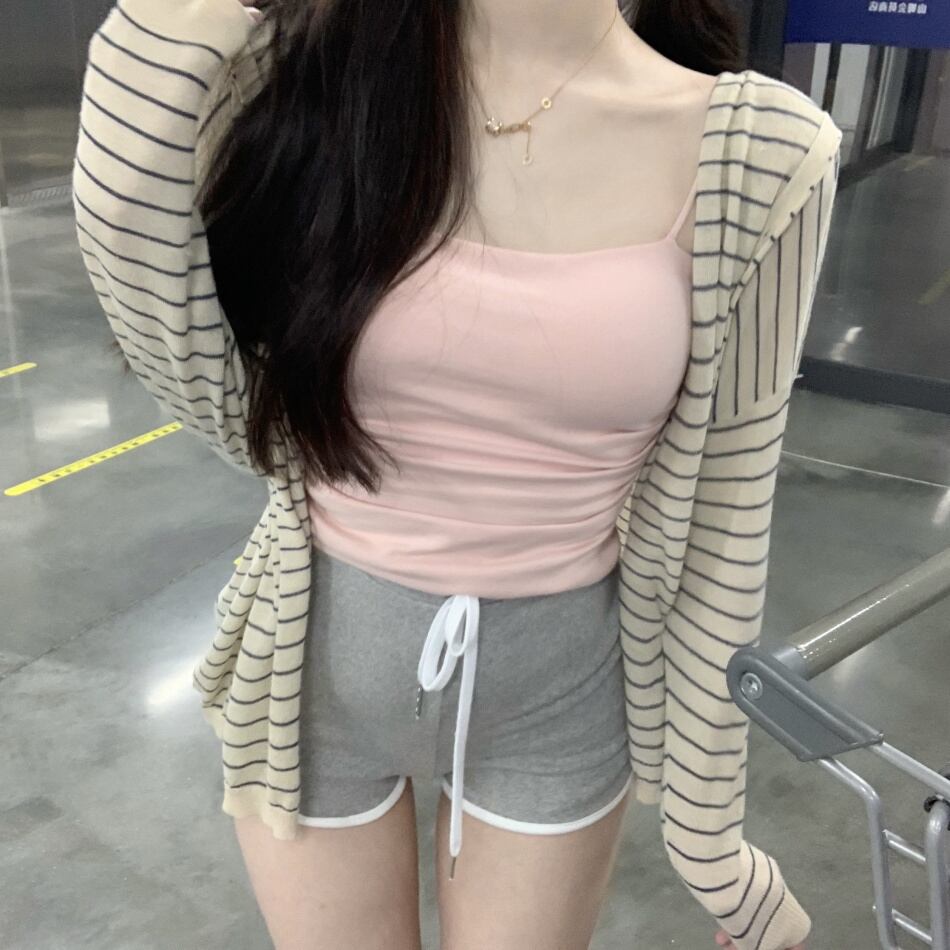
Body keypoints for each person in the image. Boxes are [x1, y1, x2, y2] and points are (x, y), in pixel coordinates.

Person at [71, 0, 841, 947]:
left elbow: (725, 519)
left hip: (561, 690)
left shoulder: (762, 154)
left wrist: (712, 839)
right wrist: (153, 44)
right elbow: (220, 396)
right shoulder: (305, 77)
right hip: (308, 667)